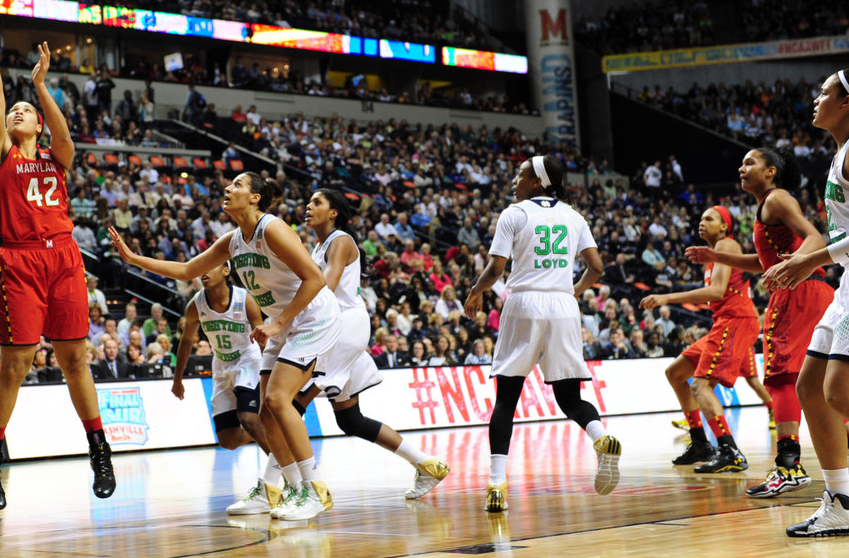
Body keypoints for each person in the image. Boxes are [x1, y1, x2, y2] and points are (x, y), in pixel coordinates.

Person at [0, 0, 114, 511]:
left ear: (37, 122)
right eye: (14, 109)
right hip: (18, 259)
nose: (16, 111)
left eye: (26, 110)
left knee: (75, 360)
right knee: (15, 364)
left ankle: (99, 449)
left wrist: (41, 89)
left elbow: (65, 139)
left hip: (63, 256)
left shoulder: (54, 156)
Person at [109, 171, 341, 521]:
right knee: (265, 414)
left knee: (278, 399)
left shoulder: (272, 228)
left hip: (313, 319)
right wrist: (135, 260)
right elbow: (188, 270)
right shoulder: (233, 240)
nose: (227, 189)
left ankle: (315, 490)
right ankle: (288, 489)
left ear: (254, 198)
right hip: (282, 326)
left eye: (237, 185)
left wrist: (278, 321)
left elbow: (316, 278)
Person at [687, 146, 849, 498]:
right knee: (812, 387)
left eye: (750, 162)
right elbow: (764, 262)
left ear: (771, 172)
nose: (741, 167)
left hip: (797, 291)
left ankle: (789, 464)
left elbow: (813, 236)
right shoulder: (769, 204)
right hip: (812, 290)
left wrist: (798, 261)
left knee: (782, 377)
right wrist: (715, 255)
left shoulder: (776, 199)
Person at [763, 68, 849, 536]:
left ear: (847, 103)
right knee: (811, 388)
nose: (815, 99)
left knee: (841, 391)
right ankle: (842, 502)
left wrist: (807, 261)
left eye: (824, 93)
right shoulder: (844, 149)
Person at [464, 155, 621, 512]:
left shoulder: (514, 213)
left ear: (537, 181)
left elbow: (495, 269)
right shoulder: (575, 216)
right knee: (569, 398)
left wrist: (474, 292)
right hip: (563, 306)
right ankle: (601, 437)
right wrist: (574, 292)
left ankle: (496, 483)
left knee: (507, 397)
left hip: (524, 304)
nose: (514, 179)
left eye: (520, 173)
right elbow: (596, 267)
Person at [291, 189, 449, 500]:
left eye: (317, 203)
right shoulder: (321, 244)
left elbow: (328, 285)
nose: (308, 207)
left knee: (290, 404)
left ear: (334, 212)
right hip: (338, 325)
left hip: (341, 326)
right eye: (308, 202)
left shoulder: (341, 240)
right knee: (350, 419)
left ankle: (288, 487)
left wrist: (288, 318)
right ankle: (426, 464)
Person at [642, 207, 758, 474]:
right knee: (675, 373)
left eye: (709, 219)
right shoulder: (711, 256)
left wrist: (667, 297)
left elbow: (717, 291)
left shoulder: (727, 245)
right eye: (700, 218)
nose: (701, 222)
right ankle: (699, 443)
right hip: (724, 322)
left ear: (724, 227)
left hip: (736, 320)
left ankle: (729, 450)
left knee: (701, 386)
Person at [175, 263, 273, 515]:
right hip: (220, 365)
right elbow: (187, 341)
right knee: (228, 441)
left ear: (226, 271)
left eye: (211, 267)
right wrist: (178, 378)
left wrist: (270, 373)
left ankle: (283, 471)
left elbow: (263, 338)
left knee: (248, 418)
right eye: (200, 270)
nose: (203, 272)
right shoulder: (195, 305)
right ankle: (271, 433)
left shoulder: (245, 299)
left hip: (248, 360)